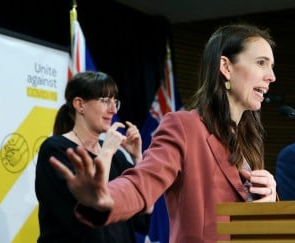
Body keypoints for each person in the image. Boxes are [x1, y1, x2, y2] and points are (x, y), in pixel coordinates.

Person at [48, 23, 278, 242]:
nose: (271, 76)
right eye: (261, 63)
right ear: (226, 67)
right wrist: (106, 198)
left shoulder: (249, 138)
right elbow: (143, 181)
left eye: (271, 66)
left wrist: (271, 196)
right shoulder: (185, 126)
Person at [35, 71, 150, 243]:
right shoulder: (56, 150)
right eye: (104, 101)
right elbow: (91, 212)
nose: (112, 109)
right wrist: (107, 152)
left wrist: (138, 159)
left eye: (114, 101)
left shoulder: (117, 157)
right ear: (80, 104)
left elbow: (144, 212)